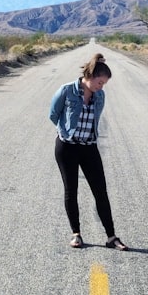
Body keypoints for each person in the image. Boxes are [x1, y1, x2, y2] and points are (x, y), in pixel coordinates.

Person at [49, 52, 128, 250]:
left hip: (89, 147)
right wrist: (65, 132)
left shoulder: (99, 95)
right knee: (71, 190)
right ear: (90, 76)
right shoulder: (66, 90)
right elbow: (53, 114)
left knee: (100, 191)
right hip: (67, 148)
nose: (102, 87)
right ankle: (76, 234)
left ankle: (111, 237)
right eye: (100, 82)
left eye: (104, 84)